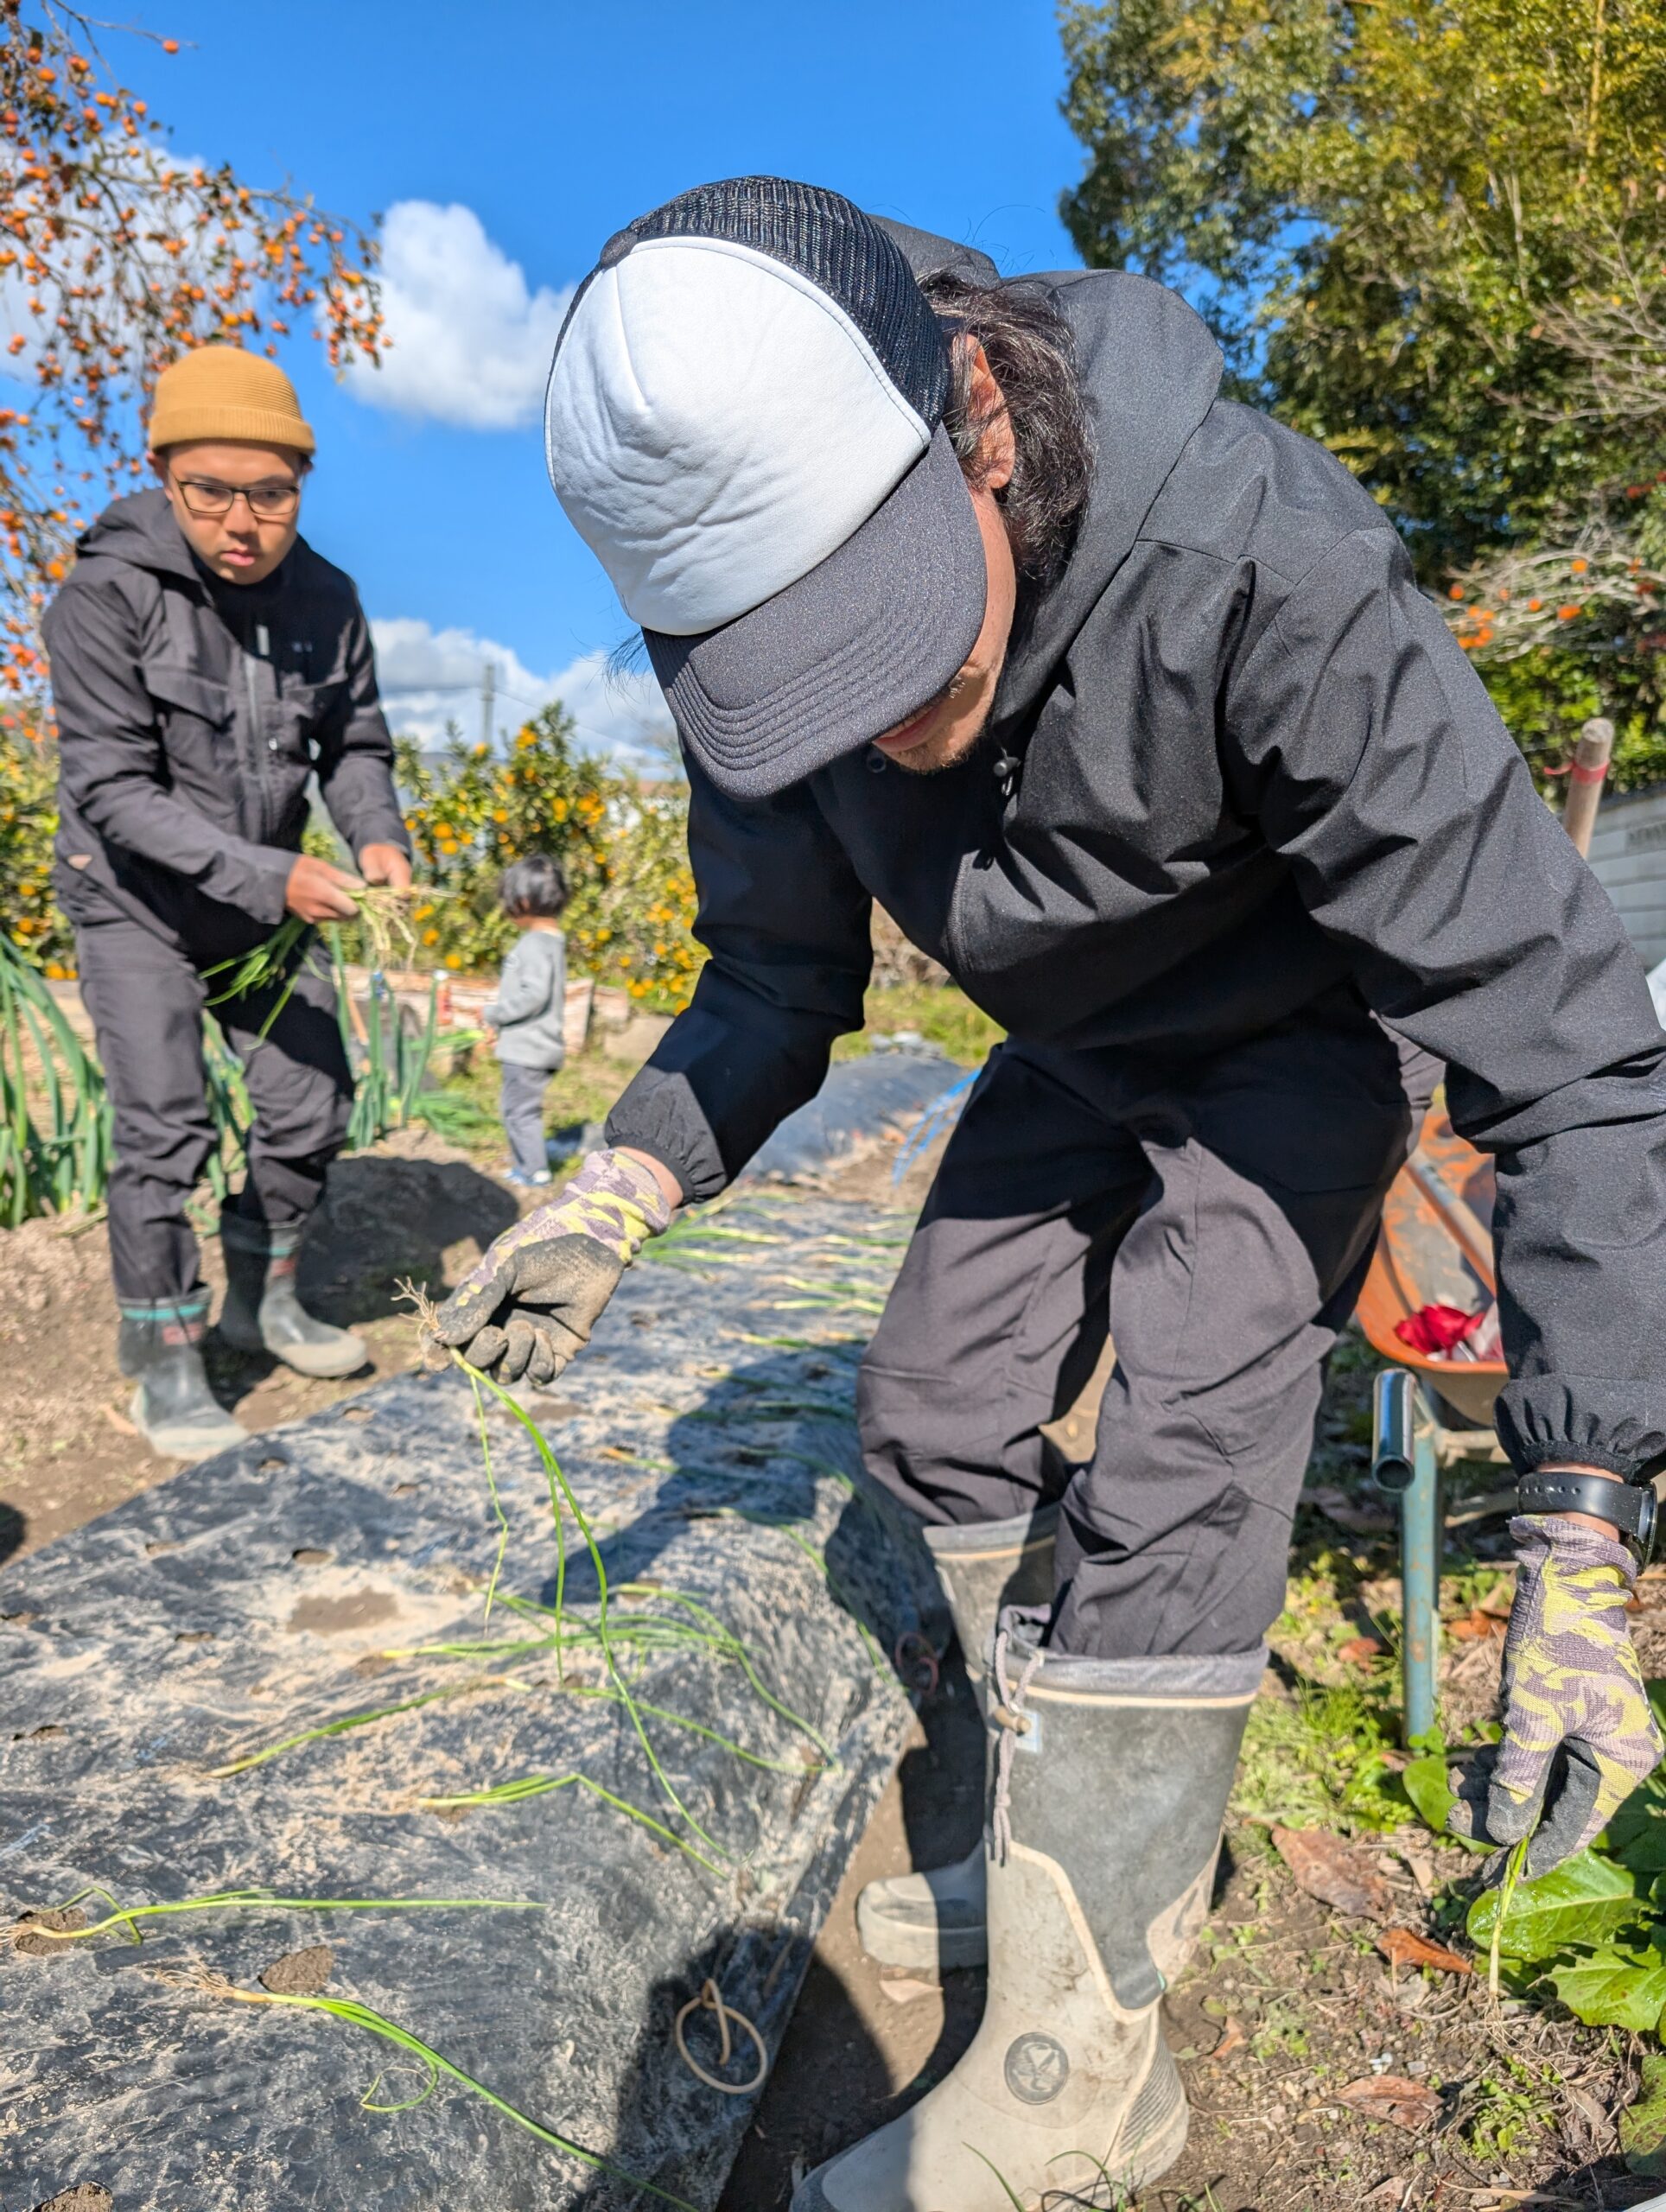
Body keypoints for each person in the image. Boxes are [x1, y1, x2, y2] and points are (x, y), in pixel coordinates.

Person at [436, 179, 1666, 2208]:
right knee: (931, 1405)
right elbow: (771, 974)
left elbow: (1565, 1034)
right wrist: (618, 1185)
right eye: (808, 686)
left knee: (1185, 1434)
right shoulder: (748, 653)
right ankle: (1044, 1839)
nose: (884, 727)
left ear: (981, 427)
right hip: (1075, 1043)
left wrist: (1581, 1517)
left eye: (893, 637)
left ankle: (1086, 2072)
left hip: (1290, 1035)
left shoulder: (1258, 564)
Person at [45, 346, 412, 1460]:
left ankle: (264, 1294)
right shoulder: (106, 595)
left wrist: (378, 834)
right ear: (164, 473)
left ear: (301, 485)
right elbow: (112, 789)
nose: (242, 522)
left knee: (312, 1099)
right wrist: (270, 876)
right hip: (136, 900)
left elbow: (356, 745)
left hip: (266, 901)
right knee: (165, 1123)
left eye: (271, 494)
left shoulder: (327, 602)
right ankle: (164, 1353)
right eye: (210, 491)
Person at [483, 853, 569, 1188]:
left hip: (527, 1049)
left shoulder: (534, 944)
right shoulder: (553, 942)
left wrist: (495, 1014)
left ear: (521, 902)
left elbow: (533, 995)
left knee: (519, 1111)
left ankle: (535, 1171)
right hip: (537, 1046)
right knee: (517, 1108)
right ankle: (524, 1166)